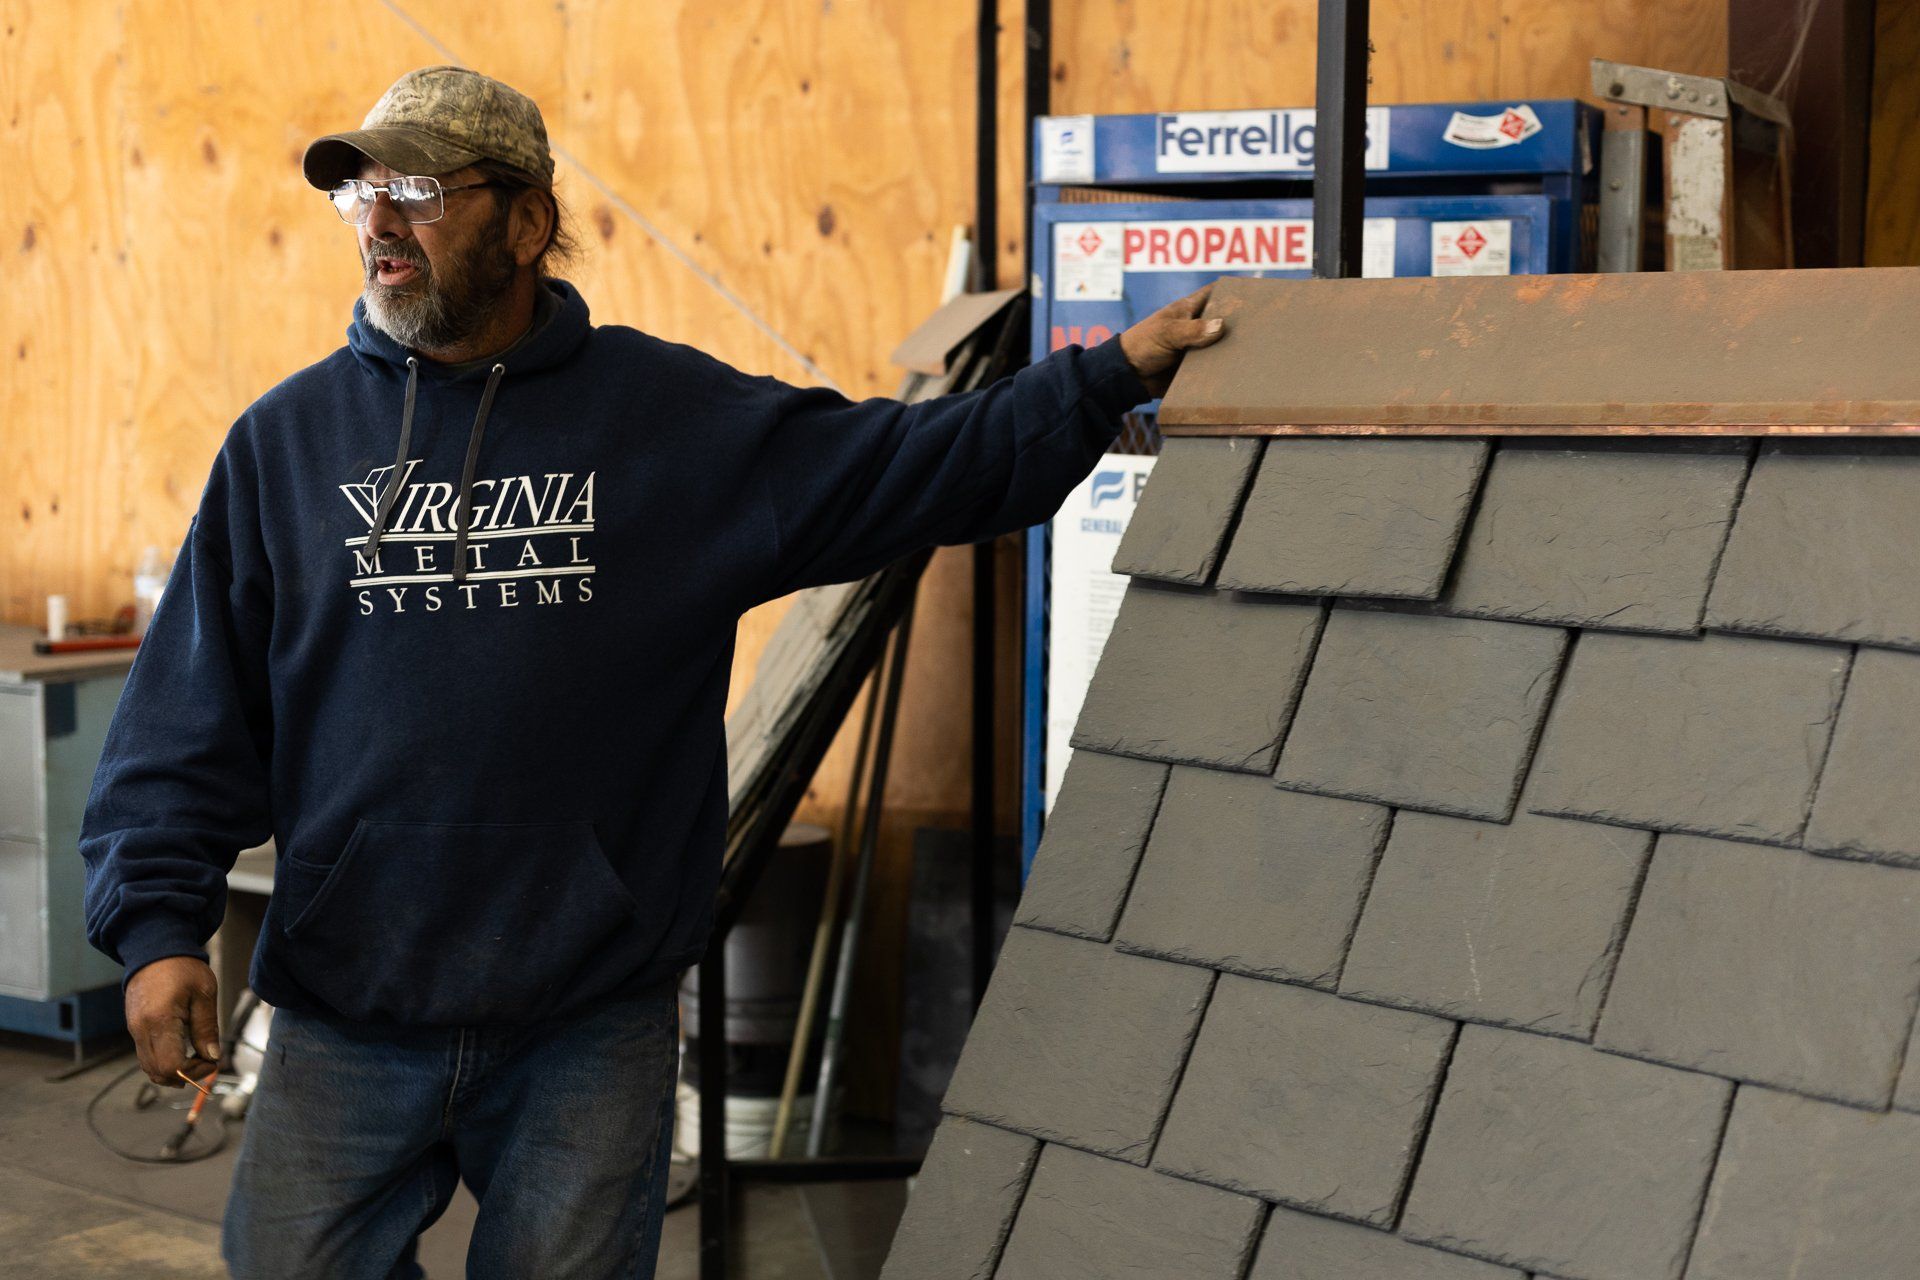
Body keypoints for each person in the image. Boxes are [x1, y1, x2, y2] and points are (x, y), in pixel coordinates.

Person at [77, 64, 1226, 1279]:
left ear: (526, 222)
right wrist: (158, 928)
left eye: (417, 188)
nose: (378, 220)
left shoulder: (665, 422)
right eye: (361, 191)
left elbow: (905, 461)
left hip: (587, 1010)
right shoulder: (284, 447)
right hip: (351, 1004)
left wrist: (1105, 378)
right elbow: (182, 719)